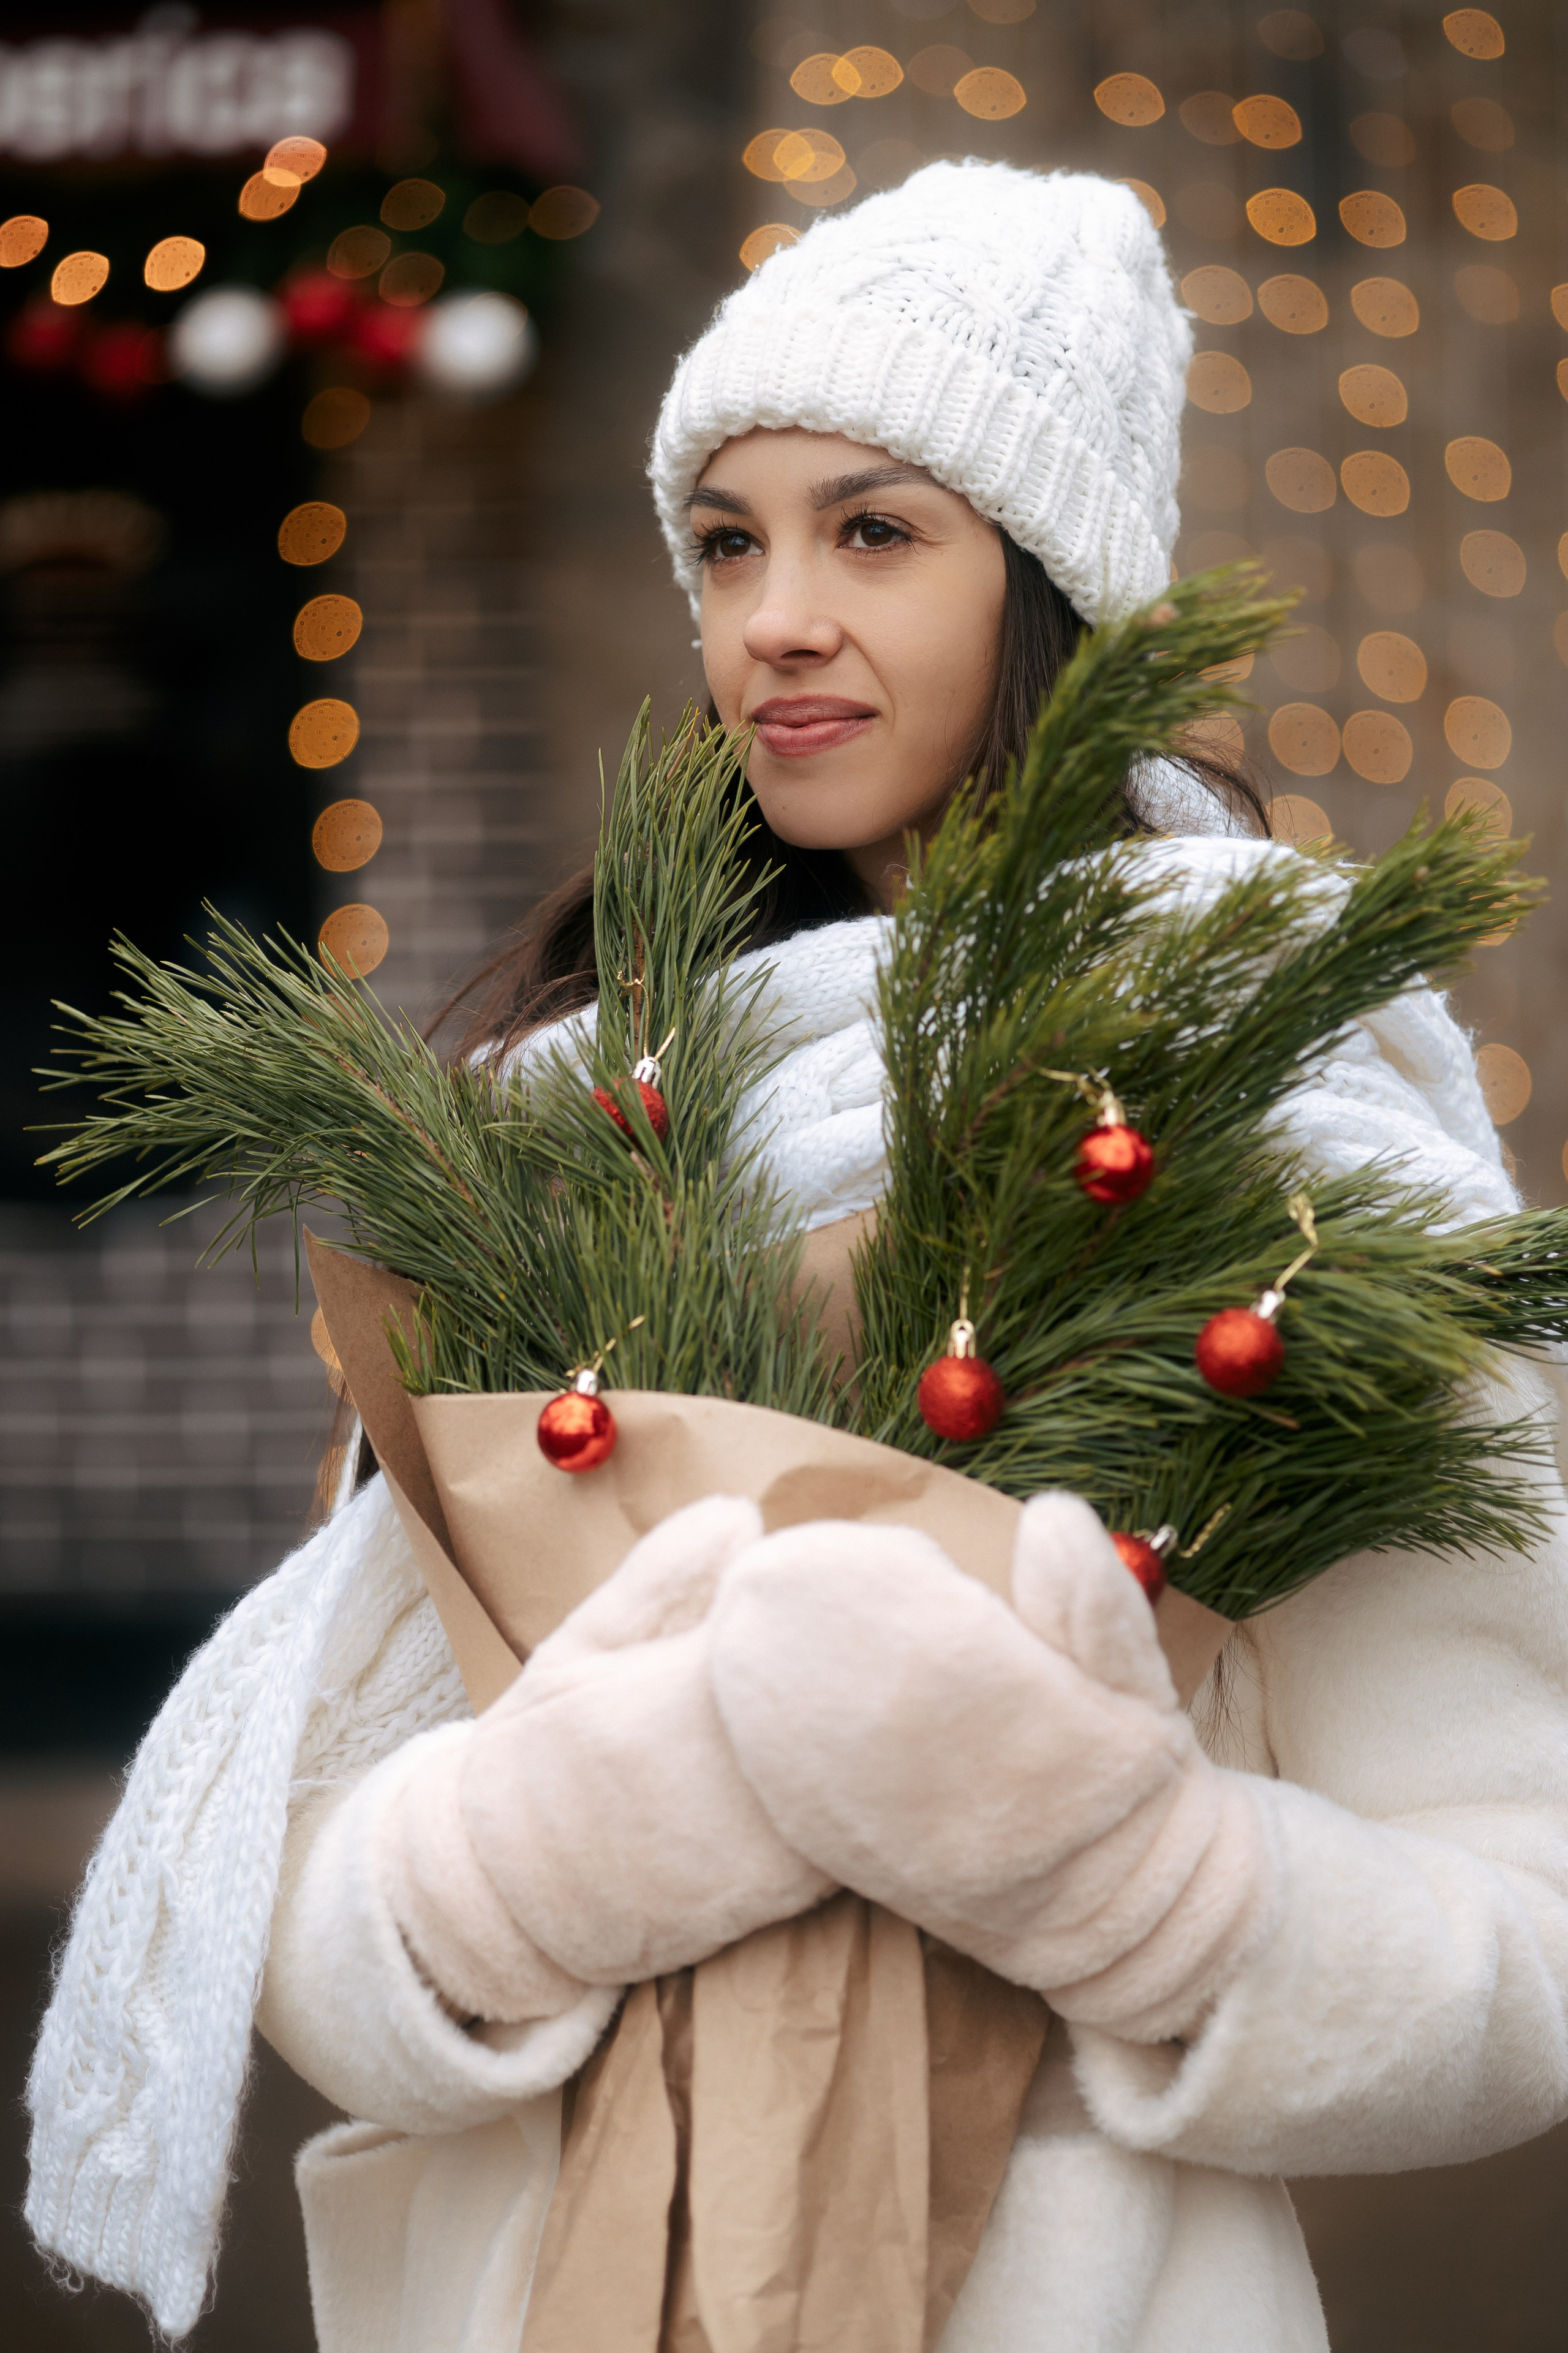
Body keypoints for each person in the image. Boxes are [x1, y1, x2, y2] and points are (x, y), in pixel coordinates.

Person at [26, 161, 1568, 2353]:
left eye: (874, 532)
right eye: (729, 543)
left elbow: (1522, 1936)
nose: (774, 619)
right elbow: (290, 1886)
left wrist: (1133, 1873)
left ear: (1049, 584)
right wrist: (532, 1850)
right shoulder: (584, 1114)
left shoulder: (1273, 1148)